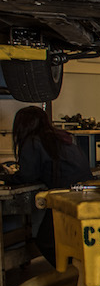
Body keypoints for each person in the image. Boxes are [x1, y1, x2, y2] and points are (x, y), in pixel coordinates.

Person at [3, 106, 93, 265]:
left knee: (46, 241)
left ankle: (71, 273)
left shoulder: (33, 141)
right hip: (84, 192)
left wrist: (6, 177)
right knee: (71, 239)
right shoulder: (61, 137)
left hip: (66, 196)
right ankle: (76, 270)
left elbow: (27, 175)